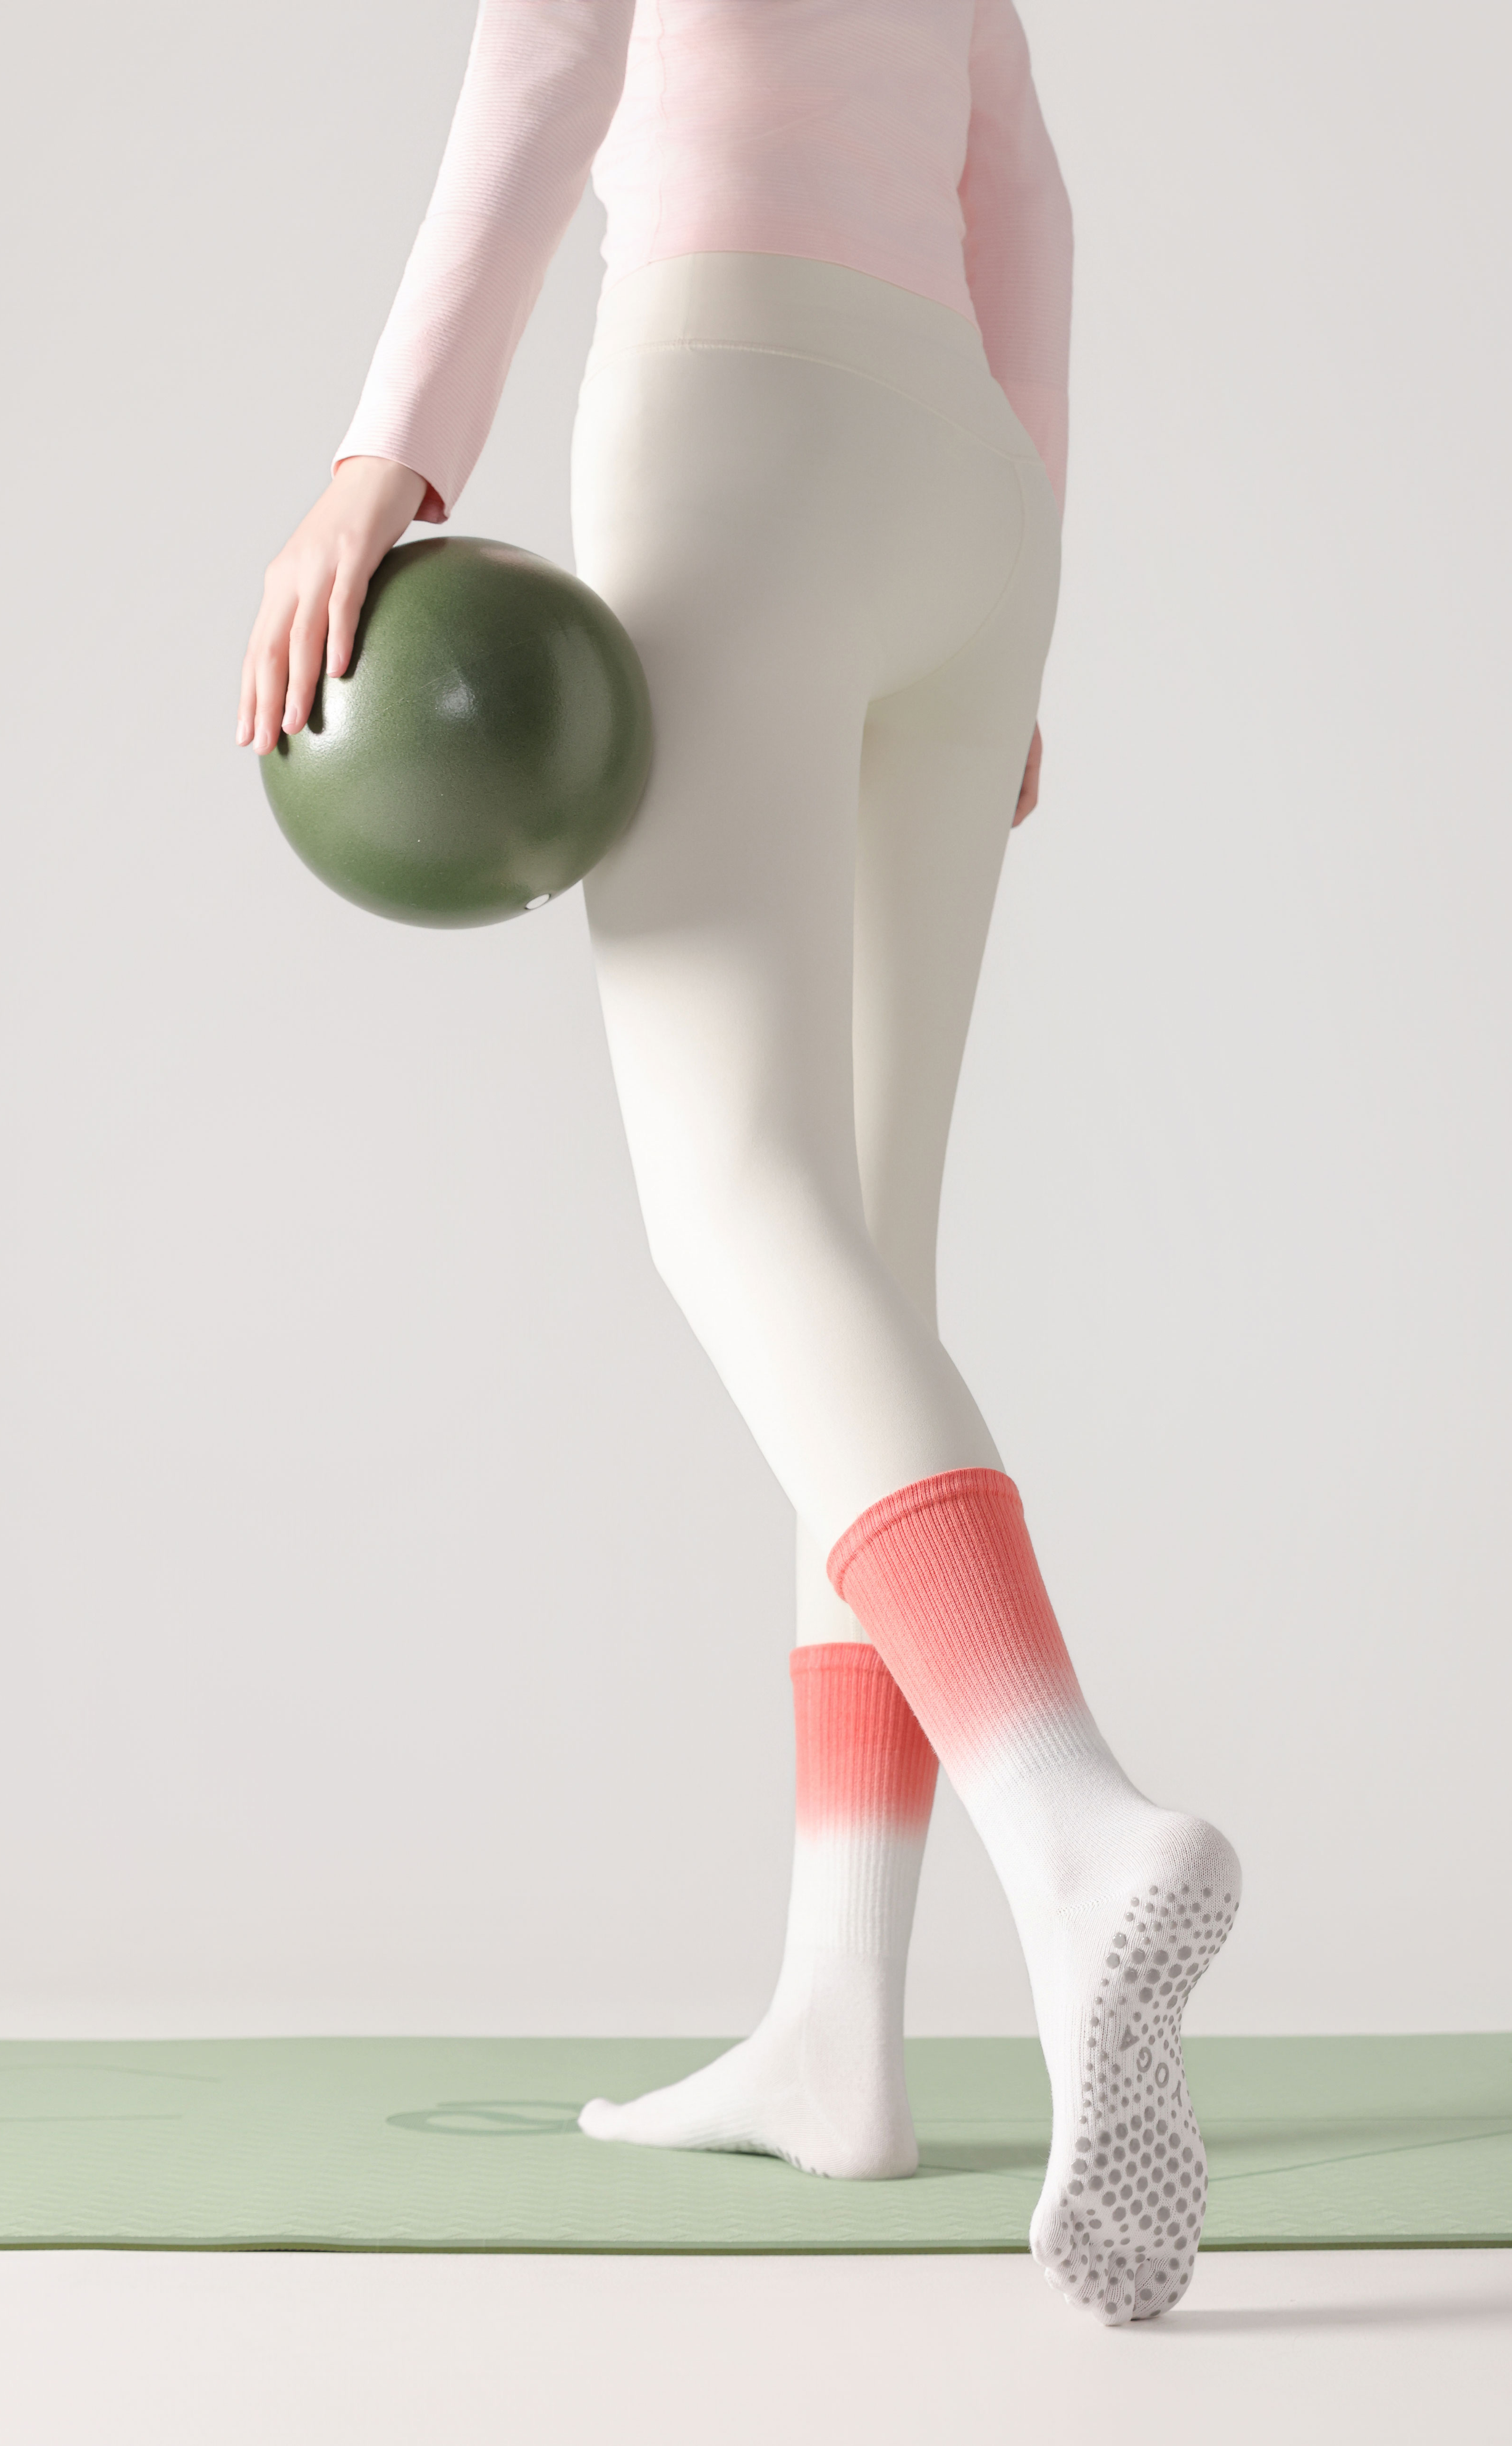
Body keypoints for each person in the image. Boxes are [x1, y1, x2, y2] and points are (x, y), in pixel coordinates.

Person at [238, 0, 1238, 2327]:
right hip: (968, 490)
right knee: (859, 1249)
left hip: (741, 413)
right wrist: (1030, 559)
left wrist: (387, 451)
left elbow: (552, 54)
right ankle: (835, 2022)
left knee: (741, 1201)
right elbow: (1022, 178)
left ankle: (1069, 1820)